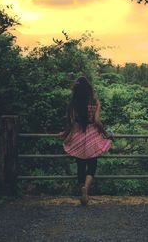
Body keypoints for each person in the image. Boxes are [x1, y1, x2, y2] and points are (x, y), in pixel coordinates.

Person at [57, 76, 112, 205]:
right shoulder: (95, 102)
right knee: (92, 164)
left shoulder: (73, 103)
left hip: (77, 136)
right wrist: (106, 133)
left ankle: (82, 187)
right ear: (89, 89)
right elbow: (97, 121)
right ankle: (86, 190)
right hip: (92, 136)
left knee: (80, 165)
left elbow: (70, 123)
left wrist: (64, 134)